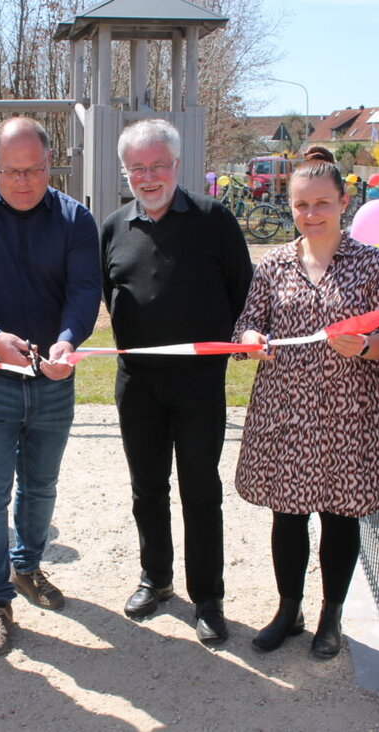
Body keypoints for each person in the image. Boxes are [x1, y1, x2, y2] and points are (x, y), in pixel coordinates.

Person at [0, 117, 100, 657]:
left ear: (51, 164)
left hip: (51, 381)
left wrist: (67, 341)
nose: (24, 181)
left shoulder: (75, 219)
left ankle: (26, 567)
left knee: (41, 486)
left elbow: (84, 290)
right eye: (11, 171)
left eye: (33, 170)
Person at [232, 152, 379, 660]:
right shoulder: (273, 264)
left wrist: (365, 346)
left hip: (349, 414)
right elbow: (247, 323)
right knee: (287, 515)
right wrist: (251, 339)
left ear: (344, 202)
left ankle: (331, 614)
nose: (311, 214)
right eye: (301, 205)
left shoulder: (372, 265)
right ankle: (290, 610)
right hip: (285, 409)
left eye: (322, 203)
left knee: (339, 516)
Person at [100, 119, 252, 645]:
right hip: (137, 385)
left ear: (177, 165)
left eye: (158, 165)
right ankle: (156, 579)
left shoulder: (214, 220)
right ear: (126, 172)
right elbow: (107, 294)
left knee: (201, 490)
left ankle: (208, 597)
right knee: (147, 489)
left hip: (199, 386)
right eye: (137, 168)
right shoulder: (113, 227)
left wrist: (238, 337)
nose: (148, 177)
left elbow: (242, 292)